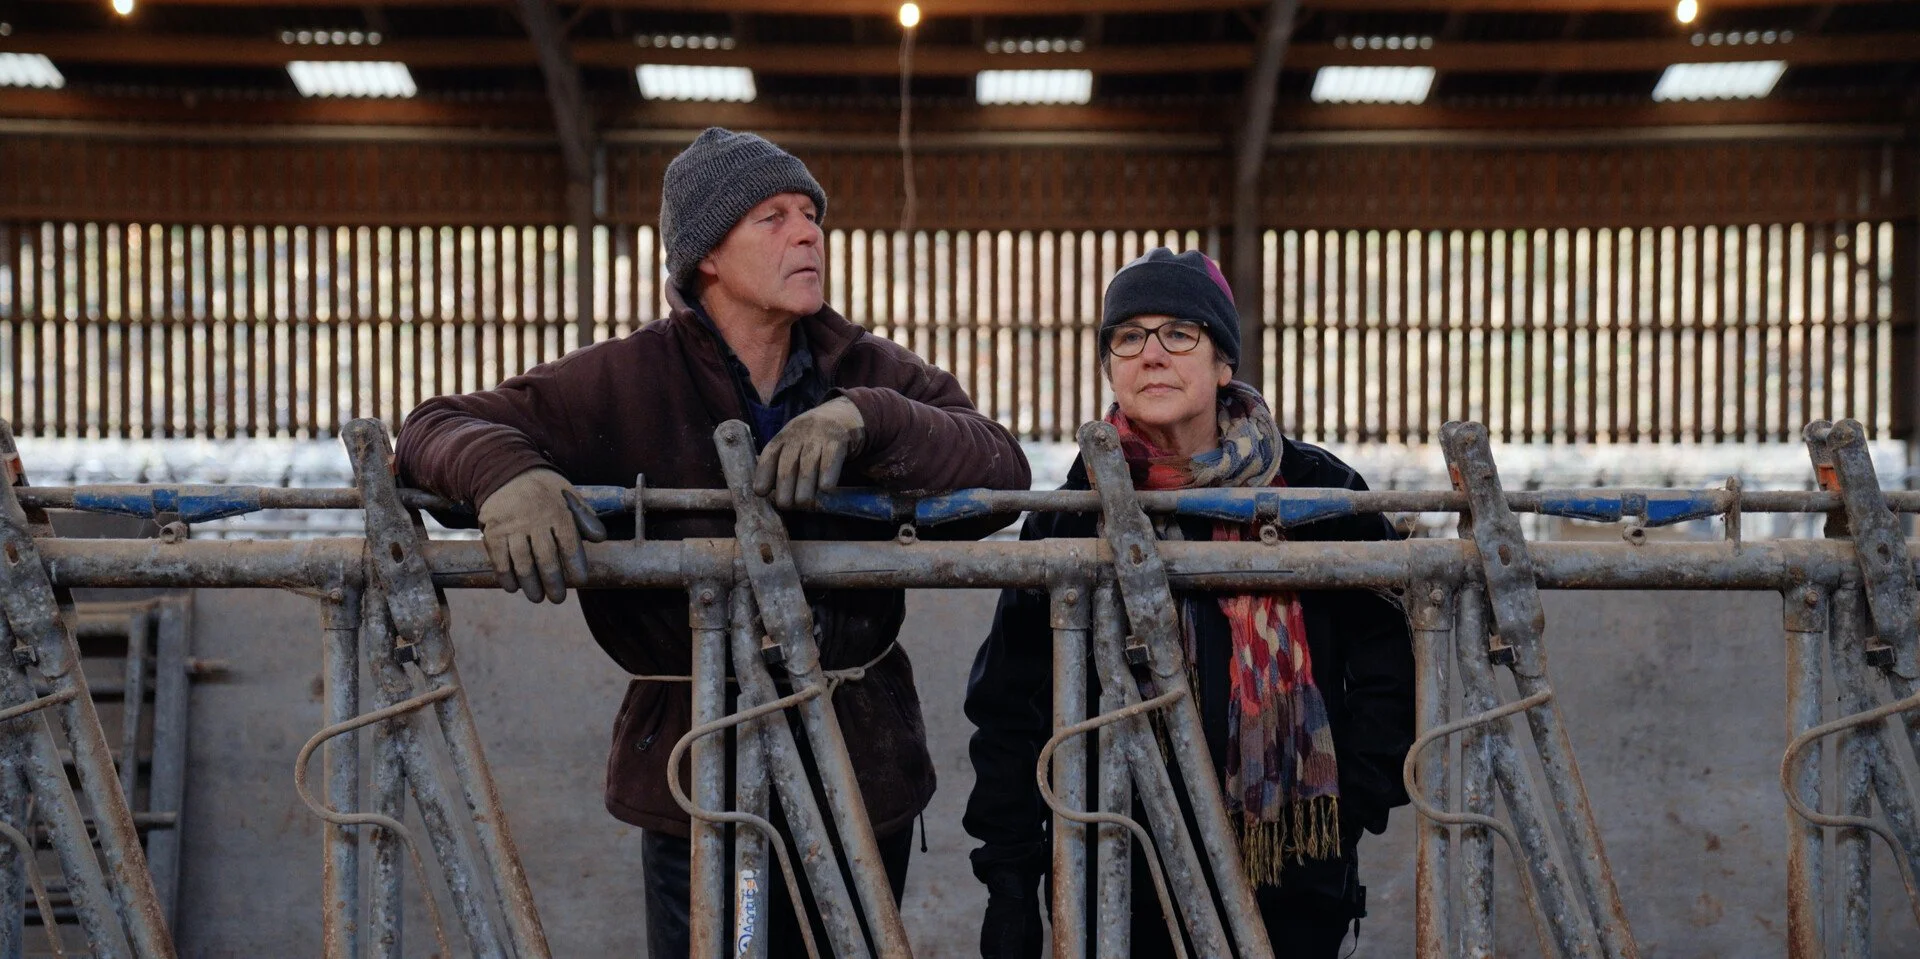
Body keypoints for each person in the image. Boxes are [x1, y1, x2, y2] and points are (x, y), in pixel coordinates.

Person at [396, 127, 1031, 956]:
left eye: (811, 215)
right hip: (697, 762)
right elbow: (434, 425)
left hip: (857, 751)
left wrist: (867, 419)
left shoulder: (865, 369)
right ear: (707, 257)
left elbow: (998, 463)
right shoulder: (627, 377)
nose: (808, 234)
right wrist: (503, 474)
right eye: (774, 217)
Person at [963, 248, 1414, 958]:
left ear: (1223, 362)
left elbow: (1392, 660)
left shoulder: (1318, 493)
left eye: (1179, 333)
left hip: (1289, 872)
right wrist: (1010, 879)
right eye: (1128, 336)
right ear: (1110, 365)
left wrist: (1351, 797)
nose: (1152, 354)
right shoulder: (1072, 513)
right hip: (1118, 869)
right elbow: (1009, 704)